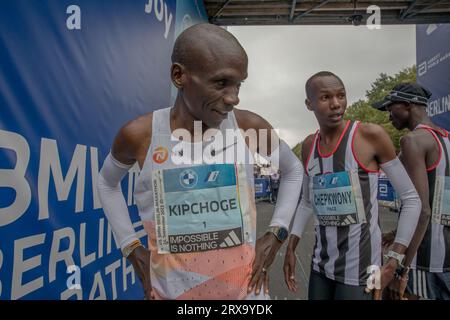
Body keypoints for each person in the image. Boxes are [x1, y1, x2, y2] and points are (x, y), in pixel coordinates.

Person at [97, 23, 303, 300]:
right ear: (179, 75)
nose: (233, 98)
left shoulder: (247, 127)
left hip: (245, 295)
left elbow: (293, 171)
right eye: (221, 83)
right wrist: (130, 247)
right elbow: (106, 184)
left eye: (238, 84)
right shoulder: (140, 135)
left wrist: (276, 234)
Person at [283, 71, 421, 300]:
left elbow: (411, 198)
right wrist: (291, 245)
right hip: (321, 265)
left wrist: (394, 261)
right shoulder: (309, 146)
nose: (336, 104)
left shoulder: (369, 135)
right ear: (310, 104)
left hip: (362, 269)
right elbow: (307, 202)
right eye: (326, 98)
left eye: (341, 96)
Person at [373, 83, 450, 300]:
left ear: (407, 105)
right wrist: (397, 232)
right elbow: (438, 201)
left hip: (426, 259)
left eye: (390, 109)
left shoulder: (412, 141)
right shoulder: (446, 137)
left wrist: (400, 267)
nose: (389, 117)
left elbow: (423, 210)